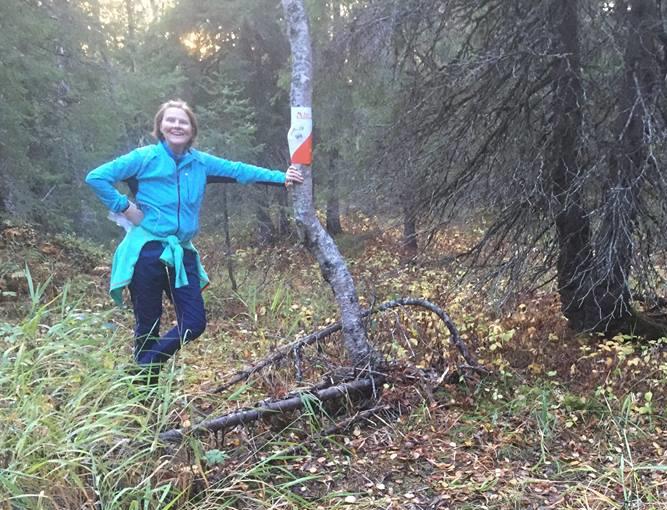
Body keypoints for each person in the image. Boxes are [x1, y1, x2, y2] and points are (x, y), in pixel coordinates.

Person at [86, 99, 303, 386]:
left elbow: (239, 170)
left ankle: (141, 367)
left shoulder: (200, 163)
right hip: (147, 253)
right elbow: (97, 177)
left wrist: (281, 178)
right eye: (170, 120)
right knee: (147, 327)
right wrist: (124, 206)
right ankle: (144, 396)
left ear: (192, 129)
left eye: (183, 121)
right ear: (161, 127)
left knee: (194, 322)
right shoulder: (145, 158)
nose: (176, 125)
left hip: (181, 253)